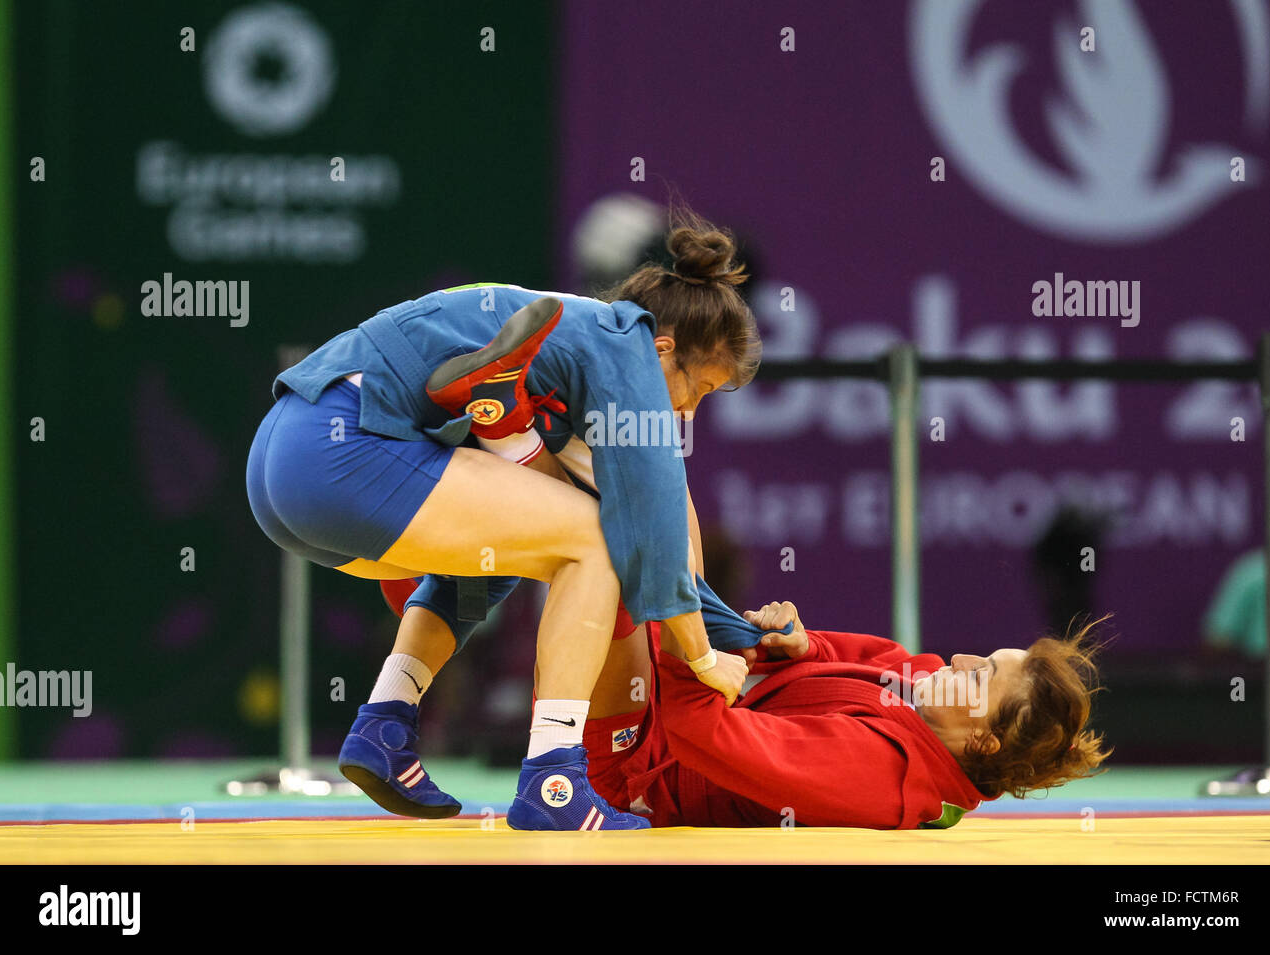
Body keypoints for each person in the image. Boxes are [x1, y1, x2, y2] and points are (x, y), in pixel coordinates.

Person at [246, 212, 759, 830]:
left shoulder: (579, 347)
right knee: (594, 542)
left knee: (515, 546)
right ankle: (554, 781)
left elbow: (664, 539)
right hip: (343, 451)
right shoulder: (628, 352)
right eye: (698, 389)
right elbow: (656, 535)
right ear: (664, 348)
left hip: (283, 461)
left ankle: (385, 723)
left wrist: (740, 633)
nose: (689, 412)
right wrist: (708, 658)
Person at [578, 600, 1112, 829]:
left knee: (615, 567)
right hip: (665, 716)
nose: (959, 660)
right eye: (984, 657)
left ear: (982, 743)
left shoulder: (881, 773)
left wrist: (694, 652)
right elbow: (840, 662)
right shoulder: (921, 686)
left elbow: (705, 734)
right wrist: (799, 646)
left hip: (631, 777)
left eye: (979, 676)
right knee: (667, 514)